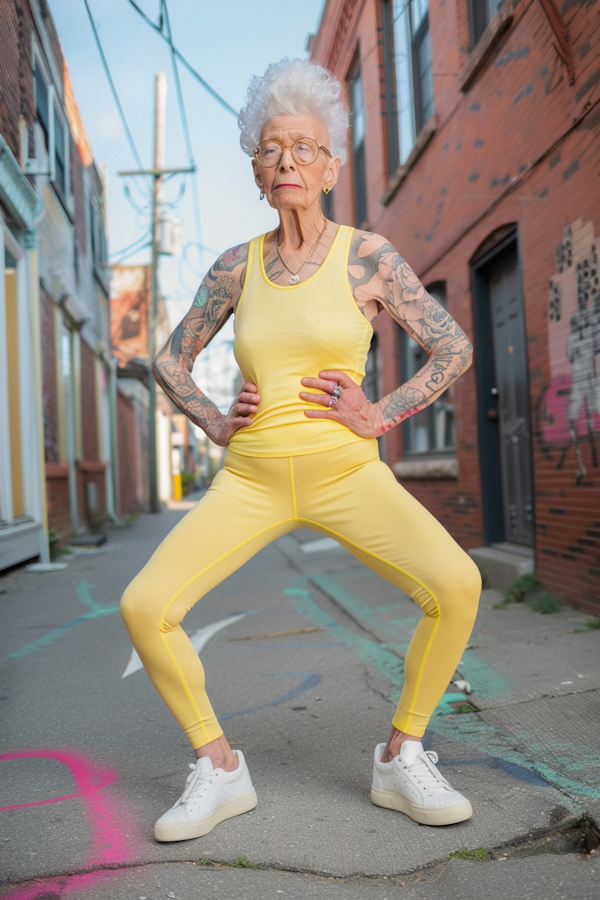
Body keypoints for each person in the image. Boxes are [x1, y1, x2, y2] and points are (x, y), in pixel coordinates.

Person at [120, 58, 482, 842]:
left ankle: (401, 755)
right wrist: (217, 422)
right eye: (271, 148)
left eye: (305, 147)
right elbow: (168, 360)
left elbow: (453, 346)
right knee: (146, 606)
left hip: (348, 472)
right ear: (255, 168)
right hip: (249, 479)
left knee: (456, 584)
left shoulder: (369, 258)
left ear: (329, 166)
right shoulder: (232, 268)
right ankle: (218, 767)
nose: (288, 161)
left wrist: (379, 413)